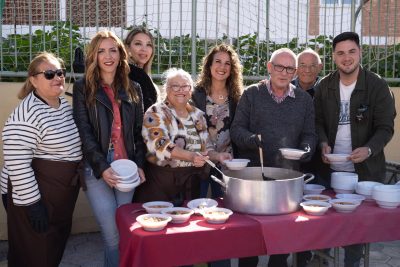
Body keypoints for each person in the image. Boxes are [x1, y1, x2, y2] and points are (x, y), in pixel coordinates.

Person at [314, 31, 396, 267]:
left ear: (360, 52)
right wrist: (322, 142)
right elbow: (316, 121)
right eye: (340, 53)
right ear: (334, 57)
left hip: (365, 170)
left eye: (351, 51)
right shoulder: (324, 86)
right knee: (325, 223)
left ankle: (352, 263)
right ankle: (322, 261)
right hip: (329, 168)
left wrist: (369, 150)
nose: (346, 57)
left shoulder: (377, 85)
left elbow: (385, 127)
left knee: (356, 230)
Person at [231, 48, 317, 267]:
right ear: (269, 67)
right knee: (248, 237)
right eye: (279, 66)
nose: (284, 72)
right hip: (253, 177)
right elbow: (237, 129)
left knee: (284, 236)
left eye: (289, 68)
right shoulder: (252, 94)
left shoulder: (304, 100)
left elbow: (309, 134)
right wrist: (251, 139)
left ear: (295, 72)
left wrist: (307, 148)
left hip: (287, 176)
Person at [2, 52, 83, 267]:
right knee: (34, 255)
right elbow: (16, 163)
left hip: (59, 195)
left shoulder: (61, 104)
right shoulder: (26, 114)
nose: (57, 77)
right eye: (49, 74)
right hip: (36, 196)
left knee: (53, 250)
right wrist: (33, 204)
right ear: (33, 80)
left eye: (60, 72)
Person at [73, 30, 145, 267]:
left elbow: (138, 133)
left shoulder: (134, 88)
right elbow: (85, 133)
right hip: (97, 169)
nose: (108, 56)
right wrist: (102, 167)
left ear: (121, 54)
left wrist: (140, 165)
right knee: (111, 234)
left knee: (124, 231)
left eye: (113, 50)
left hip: (126, 167)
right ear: (93, 56)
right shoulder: (83, 88)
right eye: (101, 51)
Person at [134, 68, 231, 204]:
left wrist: (218, 156)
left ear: (190, 90)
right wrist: (192, 156)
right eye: (175, 86)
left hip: (191, 186)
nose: (181, 90)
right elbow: (161, 145)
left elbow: (207, 147)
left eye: (185, 86)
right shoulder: (156, 112)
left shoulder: (198, 115)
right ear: (166, 89)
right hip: (161, 185)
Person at [192, 43, 243, 199]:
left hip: (227, 163)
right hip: (201, 161)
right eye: (218, 62)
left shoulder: (237, 97)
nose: (222, 67)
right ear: (209, 65)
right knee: (198, 205)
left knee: (224, 207)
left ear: (232, 69)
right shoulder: (196, 94)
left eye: (227, 63)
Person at [292, 48, 324, 267]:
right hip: (289, 161)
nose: (307, 70)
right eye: (302, 65)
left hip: (319, 160)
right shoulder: (285, 87)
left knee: (315, 213)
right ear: (296, 68)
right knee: (291, 213)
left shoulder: (326, 90)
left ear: (320, 68)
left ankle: (312, 257)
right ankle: (285, 255)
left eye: (313, 65)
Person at [124, 25, 159, 111]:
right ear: (128, 48)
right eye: (138, 44)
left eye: (148, 45)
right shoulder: (127, 75)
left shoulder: (143, 76)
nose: (144, 49)